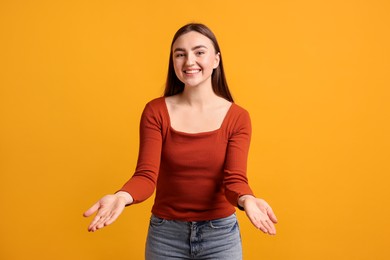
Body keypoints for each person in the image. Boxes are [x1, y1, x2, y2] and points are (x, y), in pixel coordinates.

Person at [84, 23, 278, 260]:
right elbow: (146, 176)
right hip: (166, 236)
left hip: (220, 236)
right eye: (180, 54)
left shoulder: (237, 117)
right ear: (173, 62)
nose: (189, 61)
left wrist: (247, 198)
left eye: (199, 52)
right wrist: (121, 197)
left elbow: (234, 180)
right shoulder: (155, 111)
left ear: (216, 60)